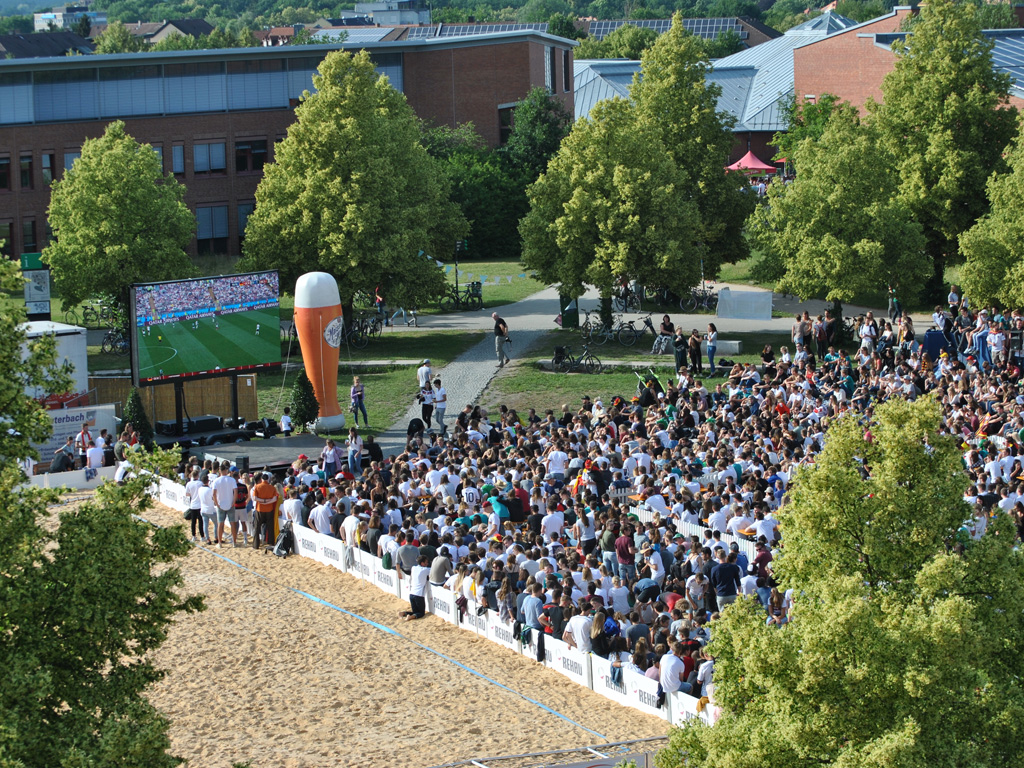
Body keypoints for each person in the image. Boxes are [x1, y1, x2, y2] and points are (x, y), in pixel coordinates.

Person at [211, 462, 239, 548]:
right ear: (226, 470)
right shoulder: (232, 480)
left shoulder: (216, 480)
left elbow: (214, 494)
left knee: (220, 524)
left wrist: (216, 503)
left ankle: (219, 543)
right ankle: (234, 542)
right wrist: (233, 502)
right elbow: (235, 492)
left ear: (220, 470)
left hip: (221, 504)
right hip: (230, 503)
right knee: (232, 523)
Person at [251, 472, 278, 550]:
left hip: (259, 509)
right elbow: (274, 499)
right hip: (269, 509)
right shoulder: (272, 488)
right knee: (270, 527)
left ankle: (256, 545)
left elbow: (255, 498)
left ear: (261, 479)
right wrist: (267, 501)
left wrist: (263, 501)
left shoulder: (257, 487)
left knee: (257, 527)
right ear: (268, 479)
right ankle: (271, 543)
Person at [399, 555, 431, 620]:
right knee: (421, 613)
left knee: (415, 612)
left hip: (412, 593)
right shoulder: (425, 570)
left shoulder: (413, 568)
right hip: (419, 595)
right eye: (426, 562)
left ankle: (403, 613)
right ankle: (410, 617)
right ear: (422, 563)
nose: (427, 564)